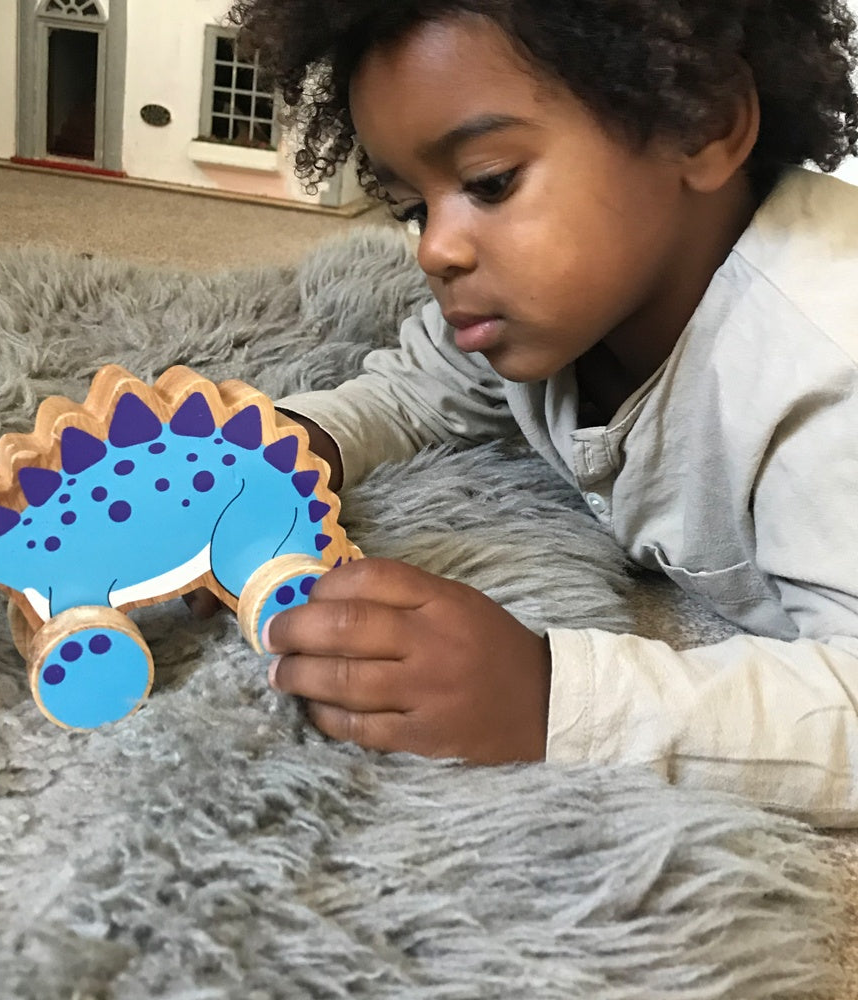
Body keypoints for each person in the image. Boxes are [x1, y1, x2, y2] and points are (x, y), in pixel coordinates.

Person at [213, 0, 858, 826]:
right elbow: (413, 389)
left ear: (701, 126)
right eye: (414, 208)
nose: (435, 250)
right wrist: (288, 448)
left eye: (490, 182)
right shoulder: (554, 311)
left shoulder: (822, 371)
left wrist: (549, 696)